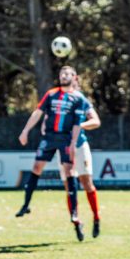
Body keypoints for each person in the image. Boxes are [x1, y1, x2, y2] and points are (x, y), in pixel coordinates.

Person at [16, 66, 86, 241]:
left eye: (67, 74)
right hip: (49, 137)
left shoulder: (77, 99)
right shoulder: (51, 94)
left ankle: (75, 214)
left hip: (65, 138)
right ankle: (25, 205)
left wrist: (72, 143)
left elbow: (77, 124)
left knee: (69, 171)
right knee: (36, 166)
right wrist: (25, 131)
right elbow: (37, 113)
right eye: (62, 73)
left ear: (74, 77)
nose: (63, 76)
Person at [55, 76, 102, 237]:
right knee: (69, 186)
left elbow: (95, 121)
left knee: (87, 183)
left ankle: (96, 218)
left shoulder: (82, 102)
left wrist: (78, 125)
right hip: (63, 147)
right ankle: (76, 222)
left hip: (80, 146)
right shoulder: (58, 102)